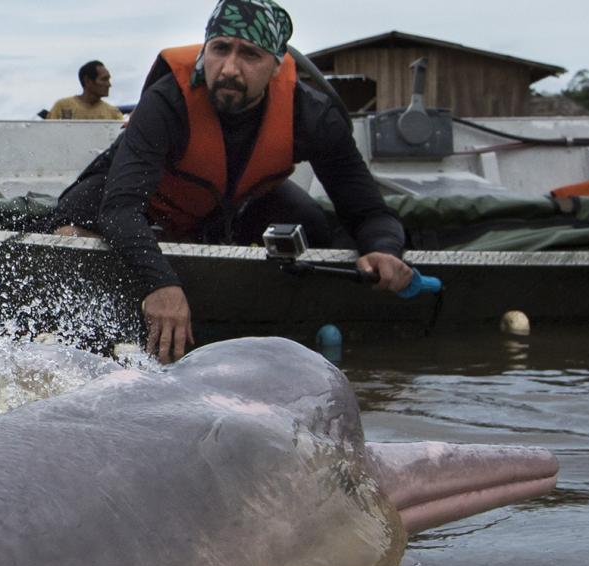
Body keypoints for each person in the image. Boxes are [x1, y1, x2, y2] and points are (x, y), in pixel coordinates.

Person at [48, 0, 410, 363]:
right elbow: (121, 208)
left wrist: (383, 249)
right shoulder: (167, 99)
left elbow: (370, 213)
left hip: (226, 209)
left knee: (314, 225)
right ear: (206, 51)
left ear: (275, 66)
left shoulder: (312, 116)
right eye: (220, 50)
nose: (230, 69)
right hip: (143, 205)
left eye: (250, 55)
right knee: (75, 213)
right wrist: (160, 284)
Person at [47, 60, 124, 121]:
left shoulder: (113, 113)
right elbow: (48, 134)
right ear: (87, 81)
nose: (108, 84)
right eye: (104, 79)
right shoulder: (62, 106)